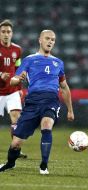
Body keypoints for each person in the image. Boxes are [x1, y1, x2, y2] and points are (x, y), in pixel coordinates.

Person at [0, 30, 74, 175]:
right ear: (40, 40)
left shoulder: (58, 63)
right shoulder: (29, 60)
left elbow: (64, 87)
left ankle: (44, 165)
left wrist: (70, 109)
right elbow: (14, 79)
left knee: (46, 125)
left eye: (53, 39)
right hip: (32, 102)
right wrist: (18, 79)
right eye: (47, 38)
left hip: (51, 100)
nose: (50, 41)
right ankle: (10, 163)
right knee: (16, 143)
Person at [0, 19, 27, 158]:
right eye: (3, 31)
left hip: (12, 91)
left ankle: (15, 149)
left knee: (16, 119)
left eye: (8, 32)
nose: (6, 34)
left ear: (12, 33)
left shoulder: (17, 49)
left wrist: (19, 88)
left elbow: (18, 69)